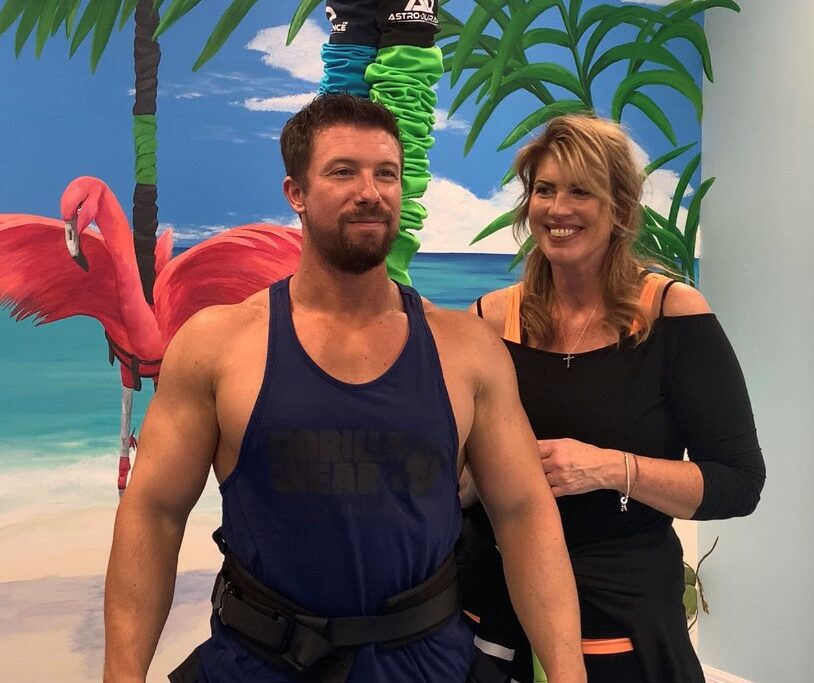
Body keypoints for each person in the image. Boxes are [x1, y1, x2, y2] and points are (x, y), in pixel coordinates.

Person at [103, 93, 586, 683]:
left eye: (386, 173)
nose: (370, 191)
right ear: (296, 194)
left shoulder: (467, 349)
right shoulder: (220, 345)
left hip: (427, 666)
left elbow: (523, 513)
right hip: (259, 665)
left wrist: (567, 672)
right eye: (343, 171)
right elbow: (153, 513)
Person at [457, 114, 766, 683]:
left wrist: (609, 468)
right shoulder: (487, 318)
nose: (557, 208)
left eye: (581, 191)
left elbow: (739, 483)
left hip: (619, 620)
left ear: (620, 209)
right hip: (489, 614)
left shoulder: (673, 315)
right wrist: (473, 477)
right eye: (544, 190)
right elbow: (452, 481)